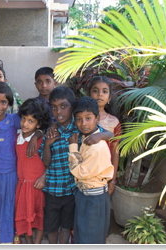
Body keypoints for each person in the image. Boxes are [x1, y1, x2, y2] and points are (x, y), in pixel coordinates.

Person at [38, 87, 113, 244]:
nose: (58, 112)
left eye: (64, 106)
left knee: (68, 224)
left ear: (72, 107)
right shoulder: (51, 131)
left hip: (73, 189)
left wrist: (100, 135)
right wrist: (47, 144)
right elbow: (46, 161)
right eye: (54, 107)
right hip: (53, 188)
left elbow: (111, 134)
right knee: (51, 226)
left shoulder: (81, 127)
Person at [0, 82, 42, 244]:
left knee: (8, 207)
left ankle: (8, 239)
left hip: (10, 173)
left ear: (10, 104)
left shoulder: (14, 120)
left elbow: (38, 124)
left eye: (3, 102)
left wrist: (35, 136)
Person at [68, 96, 114, 244]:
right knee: (83, 234)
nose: (84, 123)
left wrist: (73, 147)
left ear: (97, 118)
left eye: (88, 118)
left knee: (90, 238)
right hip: (85, 194)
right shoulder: (89, 137)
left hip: (94, 199)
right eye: (79, 119)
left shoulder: (96, 147)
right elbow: (108, 133)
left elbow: (79, 171)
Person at [14, 98, 51, 244]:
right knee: (23, 216)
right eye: (23, 118)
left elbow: (51, 161)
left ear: (39, 124)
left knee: (39, 216)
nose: (24, 123)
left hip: (37, 187)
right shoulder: (17, 138)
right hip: (22, 187)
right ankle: (29, 244)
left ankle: (37, 244)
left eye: (31, 121)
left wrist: (44, 177)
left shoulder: (42, 140)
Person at [88, 76, 121, 194]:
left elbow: (115, 152)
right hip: (84, 174)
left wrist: (113, 180)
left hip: (104, 175)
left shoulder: (114, 122)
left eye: (104, 91)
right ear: (89, 94)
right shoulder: (81, 119)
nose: (99, 94)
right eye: (95, 90)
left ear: (110, 97)